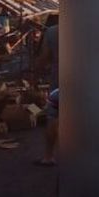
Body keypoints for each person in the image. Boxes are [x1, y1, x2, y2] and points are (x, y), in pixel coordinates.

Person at [35, 13, 60, 166]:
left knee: (54, 116)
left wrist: (36, 74)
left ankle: (48, 156)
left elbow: (44, 58)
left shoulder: (52, 32)